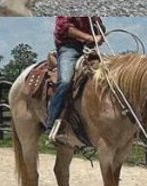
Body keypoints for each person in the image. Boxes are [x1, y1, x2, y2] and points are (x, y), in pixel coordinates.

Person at [45, 15, 106, 143]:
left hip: (89, 50)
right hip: (69, 48)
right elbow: (65, 28)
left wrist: (98, 27)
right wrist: (90, 37)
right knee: (66, 81)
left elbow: (100, 32)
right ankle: (52, 122)